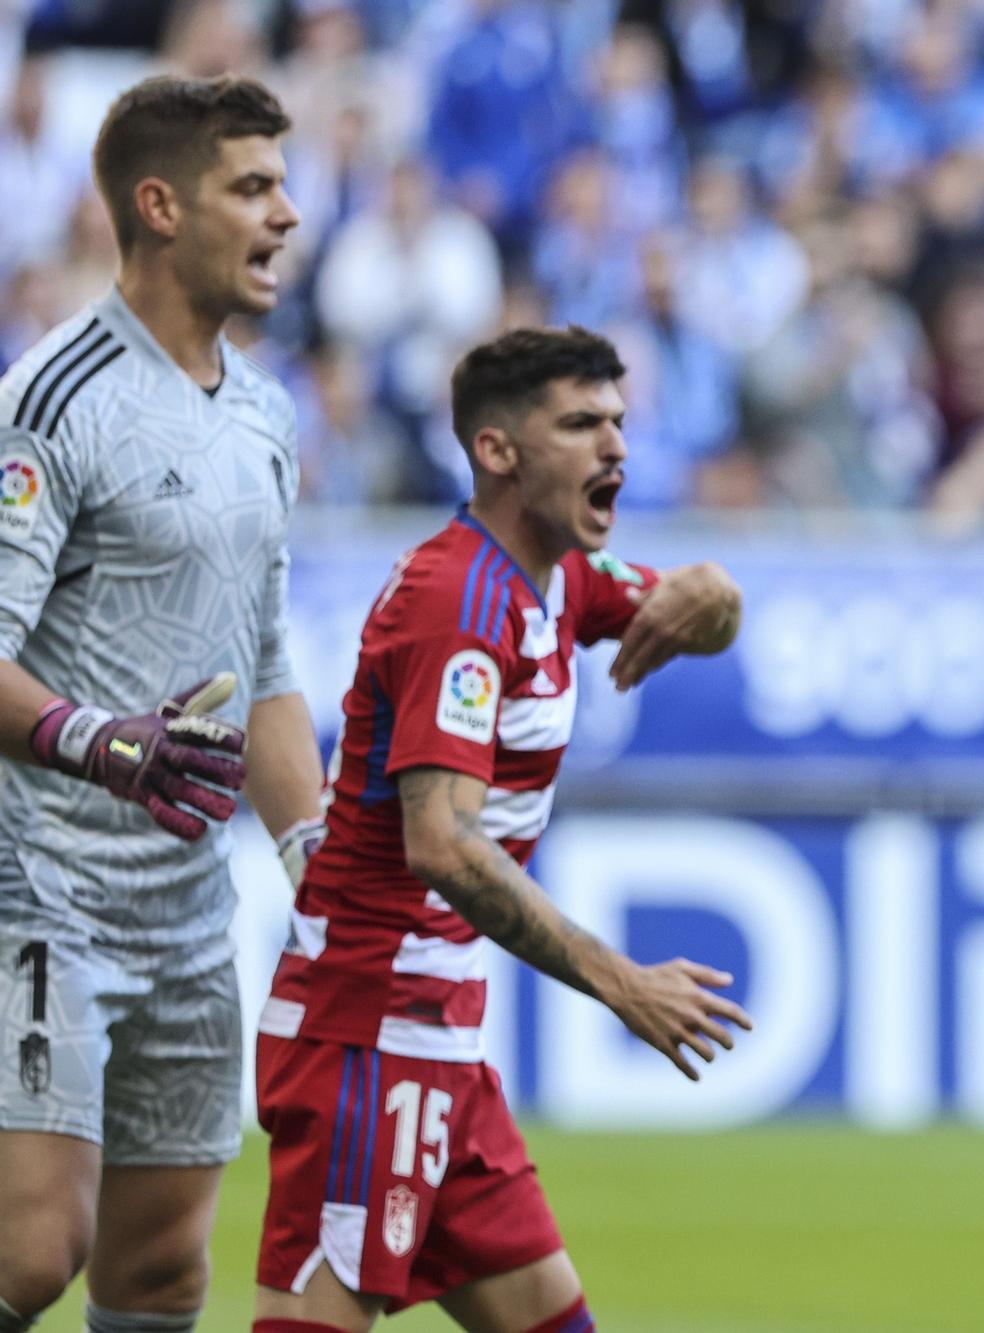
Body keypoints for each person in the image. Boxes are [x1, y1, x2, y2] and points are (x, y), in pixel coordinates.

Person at [251, 326, 752, 1333]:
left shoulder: (557, 578)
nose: (614, 446)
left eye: (616, 421)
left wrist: (716, 591)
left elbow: (693, 616)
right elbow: (441, 842)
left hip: (435, 1036)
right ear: (497, 451)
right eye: (578, 424)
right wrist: (619, 980)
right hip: (367, 1032)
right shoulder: (460, 602)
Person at [0, 75, 327, 1333]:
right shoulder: (55, 396)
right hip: (43, 893)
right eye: (252, 186)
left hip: (189, 915)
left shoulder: (261, 415)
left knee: (160, 1278)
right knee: (33, 1248)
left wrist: (311, 853)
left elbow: (267, 668)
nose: (286, 215)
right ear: (160, 205)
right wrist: (99, 740)